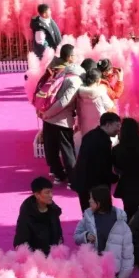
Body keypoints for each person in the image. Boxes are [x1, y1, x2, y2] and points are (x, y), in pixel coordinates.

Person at [74, 185, 134, 278]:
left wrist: (125, 270)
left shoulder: (119, 219)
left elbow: (127, 247)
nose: (89, 202)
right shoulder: (88, 217)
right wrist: (86, 236)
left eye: (91, 200)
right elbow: (77, 236)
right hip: (94, 266)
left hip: (113, 267)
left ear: (99, 202)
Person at [40, 56, 95, 185]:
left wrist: (46, 114)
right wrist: (48, 114)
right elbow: (63, 102)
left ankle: (59, 175)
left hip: (49, 119)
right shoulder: (76, 81)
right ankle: (73, 180)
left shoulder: (63, 74)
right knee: (67, 152)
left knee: (51, 150)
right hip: (61, 121)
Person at [71, 112, 121, 212]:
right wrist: (114, 177)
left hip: (82, 181)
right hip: (94, 185)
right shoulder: (103, 141)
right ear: (108, 124)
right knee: (99, 214)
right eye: (117, 126)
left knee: (87, 213)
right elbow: (102, 165)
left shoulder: (90, 135)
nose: (119, 129)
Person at [13, 176, 63, 256]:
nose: (51, 195)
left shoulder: (54, 210)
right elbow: (21, 242)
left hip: (53, 256)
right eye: (47, 193)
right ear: (37, 195)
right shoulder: (27, 214)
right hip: (33, 257)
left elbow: (59, 236)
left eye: (51, 192)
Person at [77, 69, 116, 136]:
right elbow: (111, 107)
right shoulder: (101, 92)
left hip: (85, 129)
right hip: (99, 129)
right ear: (98, 80)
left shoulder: (80, 93)